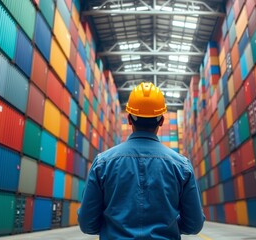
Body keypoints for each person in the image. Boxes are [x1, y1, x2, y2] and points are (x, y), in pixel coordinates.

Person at [78, 82, 205, 239]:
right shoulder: (182, 166)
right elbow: (194, 224)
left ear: (129, 119)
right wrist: (168, 226)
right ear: (161, 121)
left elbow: (87, 223)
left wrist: (111, 227)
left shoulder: (102, 163)